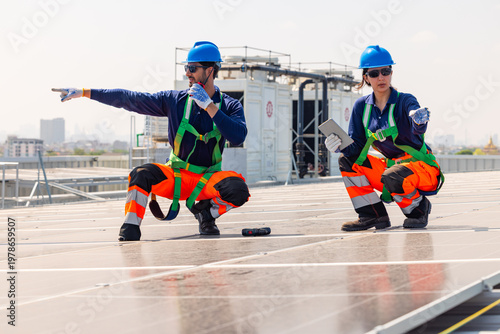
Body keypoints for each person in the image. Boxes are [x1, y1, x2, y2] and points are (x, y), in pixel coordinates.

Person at [52, 41, 250, 241]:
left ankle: (206, 215)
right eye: (186, 68)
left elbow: (238, 136)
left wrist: (209, 106)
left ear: (209, 70)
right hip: (176, 177)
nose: (187, 73)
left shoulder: (230, 106)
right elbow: (129, 98)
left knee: (238, 189)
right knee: (141, 174)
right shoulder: (175, 100)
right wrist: (85, 92)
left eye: (192, 68)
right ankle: (130, 227)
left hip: (207, 180)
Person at [325, 45, 443, 231]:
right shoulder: (361, 107)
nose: (381, 77)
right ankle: (372, 215)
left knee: (393, 174)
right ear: (365, 78)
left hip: (422, 169)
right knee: (347, 160)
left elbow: (417, 127)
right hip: (391, 170)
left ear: (391, 73)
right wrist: (341, 146)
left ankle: (418, 209)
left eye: (385, 71)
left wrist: (419, 120)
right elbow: (357, 148)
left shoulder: (405, 101)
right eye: (374, 73)